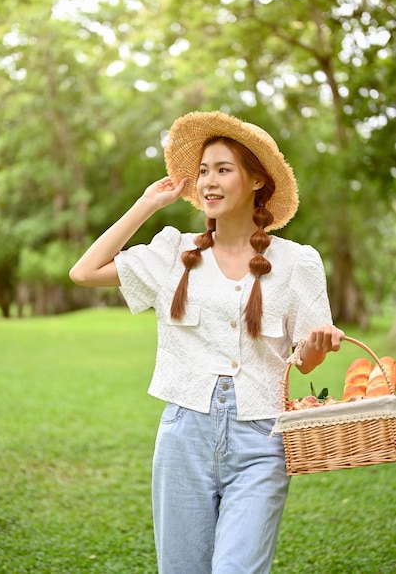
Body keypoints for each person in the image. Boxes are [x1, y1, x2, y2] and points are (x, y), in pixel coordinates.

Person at [69, 111, 344, 574]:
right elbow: (84, 272)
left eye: (223, 169)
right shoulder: (174, 252)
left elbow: (307, 361)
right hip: (183, 435)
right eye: (202, 171)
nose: (207, 182)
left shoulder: (297, 262)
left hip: (261, 438)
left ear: (257, 180)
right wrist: (146, 204)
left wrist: (316, 344)